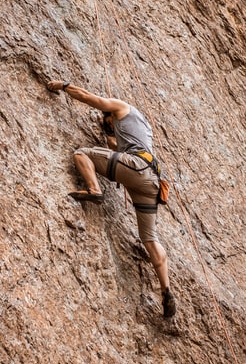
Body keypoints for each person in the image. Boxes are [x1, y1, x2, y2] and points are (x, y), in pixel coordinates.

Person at [47, 80, 176, 318]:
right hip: (150, 182)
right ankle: (166, 289)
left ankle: (94, 189)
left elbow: (88, 97)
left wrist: (64, 86)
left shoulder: (120, 107)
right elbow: (113, 147)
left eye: (106, 119)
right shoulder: (139, 127)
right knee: (149, 238)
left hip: (137, 167)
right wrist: (108, 131)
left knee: (82, 153)